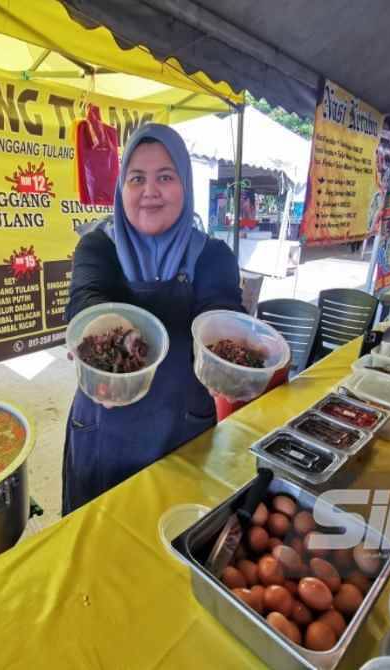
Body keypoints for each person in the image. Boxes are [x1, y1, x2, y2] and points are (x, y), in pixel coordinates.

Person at [61, 124, 244, 515]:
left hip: (181, 432)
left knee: (172, 543)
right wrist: (106, 339)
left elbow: (220, 312)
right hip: (103, 427)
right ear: (121, 188)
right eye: (136, 178)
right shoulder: (97, 245)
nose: (150, 191)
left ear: (185, 184)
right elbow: (86, 299)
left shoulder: (212, 255)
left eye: (165, 176)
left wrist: (236, 346)